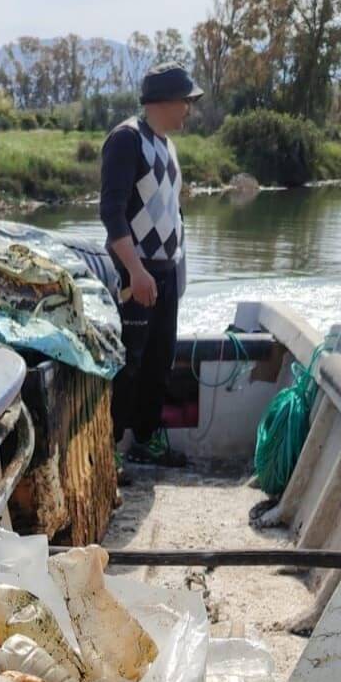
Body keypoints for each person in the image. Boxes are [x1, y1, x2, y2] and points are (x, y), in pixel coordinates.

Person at [99, 61, 202, 467]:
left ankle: (145, 439)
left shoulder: (167, 145)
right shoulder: (127, 140)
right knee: (127, 364)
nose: (188, 109)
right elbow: (112, 214)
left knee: (159, 361)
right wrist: (136, 271)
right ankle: (109, 451)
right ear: (165, 100)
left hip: (165, 272)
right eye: (185, 101)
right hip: (133, 272)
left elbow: (171, 210)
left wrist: (176, 269)